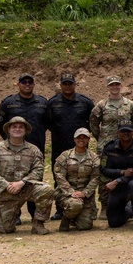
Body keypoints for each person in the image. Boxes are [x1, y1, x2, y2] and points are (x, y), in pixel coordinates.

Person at [0, 116, 55, 235]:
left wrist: (22, 182)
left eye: (21, 127)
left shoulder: (33, 150)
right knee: (5, 230)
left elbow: (38, 170)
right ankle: (5, 216)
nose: (17, 129)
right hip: (5, 192)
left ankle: (38, 223)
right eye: (14, 126)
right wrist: (6, 185)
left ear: (25, 131)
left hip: (26, 188)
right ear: (8, 130)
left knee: (46, 190)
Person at [0, 72, 48, 223]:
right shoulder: (8, 102)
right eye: (23, 82)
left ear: (33, 85)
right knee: (13, 179)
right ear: (18, 84)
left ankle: (35, 214)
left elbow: (47, 122)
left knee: (35, 179)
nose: (27, 84)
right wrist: (11, 141)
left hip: (35, 147)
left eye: (29, 82)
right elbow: (1, 124)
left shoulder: (42, 103)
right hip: (13, 148)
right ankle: (14, 214)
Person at [46, 73, 94, 221]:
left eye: (70, 83)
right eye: (65, 84)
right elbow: (48, 123)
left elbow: (92, 122)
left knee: (83, 175)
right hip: (60, 146)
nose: (67, 86)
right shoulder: (52, 103)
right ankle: (61, 209)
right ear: (60, 85)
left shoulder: (85, 102)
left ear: (75, 84)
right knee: (59, 177)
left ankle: (84, 205)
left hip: (80, 147)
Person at [90, 75, 133, 219]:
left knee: (126, 173)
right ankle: (104, 206)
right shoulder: (102, 105)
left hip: (125, 146)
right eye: (112, 85)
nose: (115, 87)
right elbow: (93, 122)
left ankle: (125, 204)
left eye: (117, 84)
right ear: (108, 87)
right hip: (106, 147)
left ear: (121, 86)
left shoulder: (129, 104)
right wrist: (101, 138)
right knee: (104, 175)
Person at [100, 120, 133, 232]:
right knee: (113, 222)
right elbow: (104, 169)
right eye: (123, 131)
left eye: (128, 131)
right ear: (118, 132)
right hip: (117, 183)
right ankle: (129, 210)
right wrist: (122, 172)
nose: (126, 134)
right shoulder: (109, 148)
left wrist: (118, 180)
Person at [52, 127, 100, 232]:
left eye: (84, 138)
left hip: (85, 194)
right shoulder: (65, 156)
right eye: (79, 137)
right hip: (66, 193)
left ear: (88, 140)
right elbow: (59, 176)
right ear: (74, 139)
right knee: (75, 204)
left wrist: (84, 193)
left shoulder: (94, 158)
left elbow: (95, 178)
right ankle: (66, 219)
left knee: (85, 226)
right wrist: (71, 192)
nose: (81, 140)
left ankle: (75, 217)